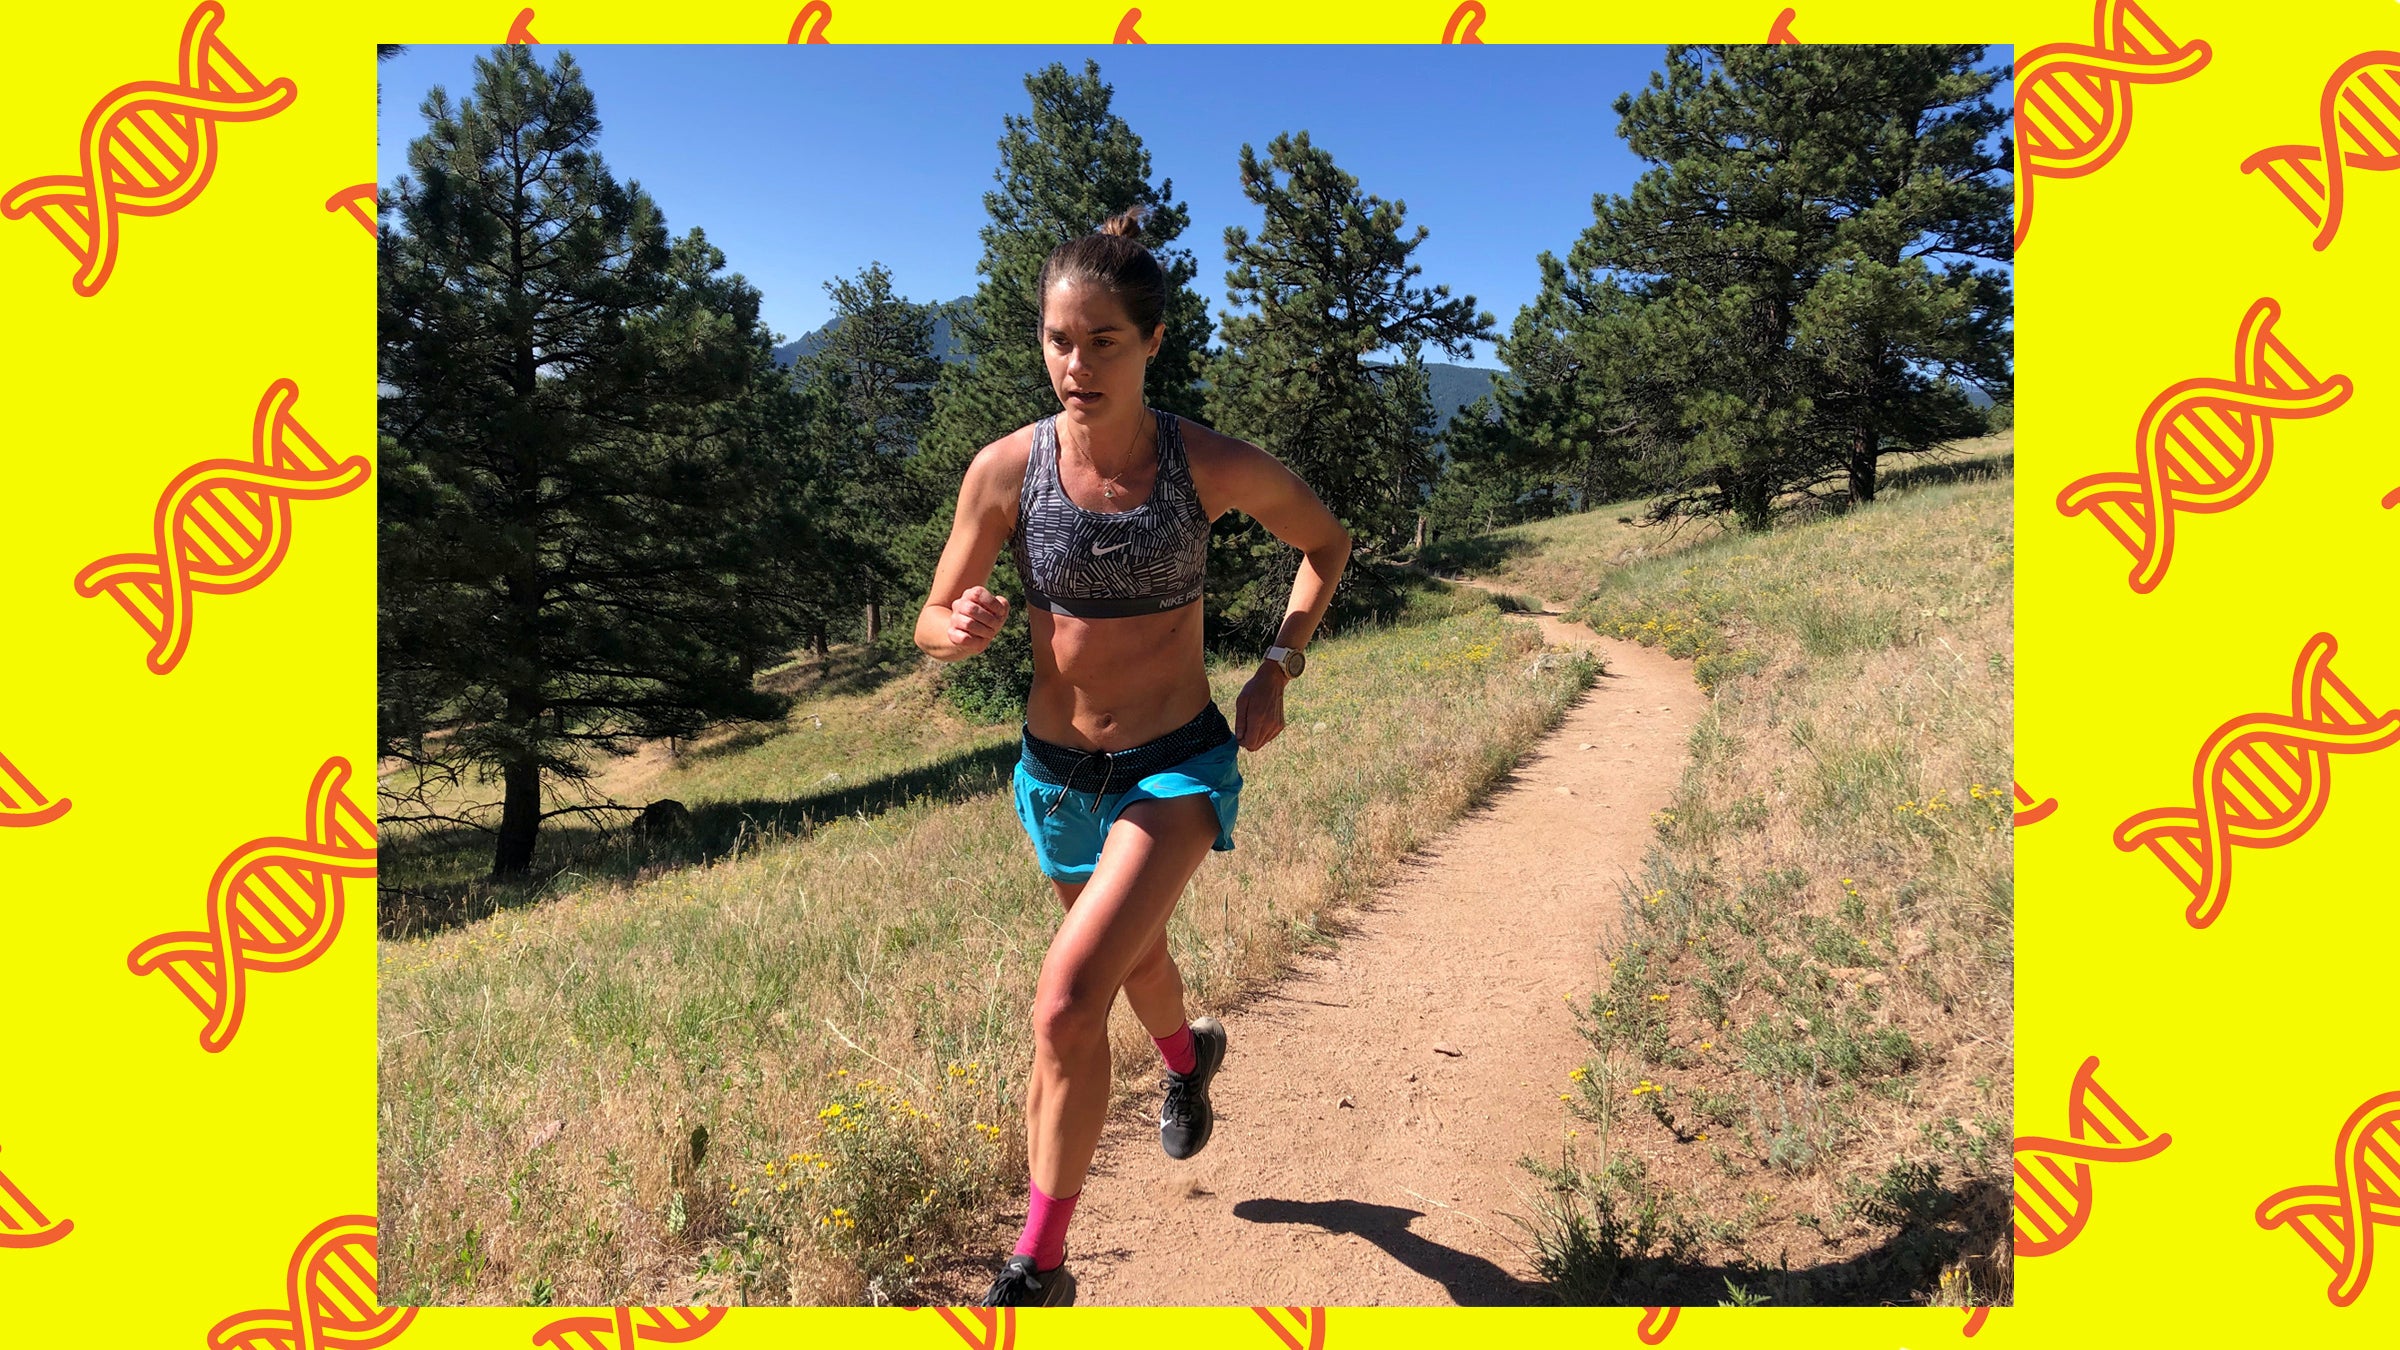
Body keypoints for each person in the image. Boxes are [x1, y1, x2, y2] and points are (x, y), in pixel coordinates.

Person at [914, 204, 1351, 1307]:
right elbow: (929, 613)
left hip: (1178, 767)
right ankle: (1188, 1057)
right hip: (1055, 778)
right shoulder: (1006, 471)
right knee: (1132, 959)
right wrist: (953, 626)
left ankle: (1040, 1264)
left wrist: (1277, 668)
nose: (1077, 363)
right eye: (1061, 340)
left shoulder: (1206, 465)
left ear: (1154, 342)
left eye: (1105, 340)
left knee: (1067, 1000)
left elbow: (1325, 543)